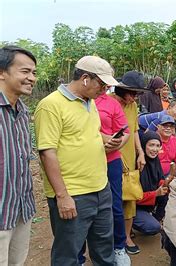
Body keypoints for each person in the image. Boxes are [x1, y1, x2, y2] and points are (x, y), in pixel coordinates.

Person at [34, 55, 119, 265]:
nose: (105, 90)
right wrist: (62, 196)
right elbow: (47, 152)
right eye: (102, 84)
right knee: (68, 254)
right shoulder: (51, 105)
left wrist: (106, 140)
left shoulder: (90, 102)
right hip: (74, 193)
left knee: (104, 250)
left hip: (100, 188)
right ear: (85, 78)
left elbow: (90, 133)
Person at [0, 46, 37, 266]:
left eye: (33, 73)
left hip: (21, 208)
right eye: (25, 71)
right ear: (2, 72)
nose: (31, 78)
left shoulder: (22, 112)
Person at [110, 70, 148, 255]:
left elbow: (133, 131)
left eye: (137, 94)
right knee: (112, 200)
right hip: (111, 159)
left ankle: (126, 235)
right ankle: (110, 237)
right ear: (121, 89)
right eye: (132, 93)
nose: (134, 98)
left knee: (130, 197)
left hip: (130, 157)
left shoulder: (132, 106)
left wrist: (140, 152)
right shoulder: (106, 103)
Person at [93, 88, 132, 264]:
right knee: (86, 206)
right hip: (86, 161)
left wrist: (116, 144)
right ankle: (79, 254)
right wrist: (104, 139)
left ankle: (119, 247)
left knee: (115, 204)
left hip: (111, 160)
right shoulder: (77, 103)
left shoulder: (111, 103)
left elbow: (125, 131)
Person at [133, 131, 169, 235]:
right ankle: (130, 225)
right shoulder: (137, 164)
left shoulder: (155, 161)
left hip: (148, 201)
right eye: (151, 145)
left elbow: (160, 180)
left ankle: (155, 218)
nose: (155, 149)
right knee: (153, 227)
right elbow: (133, 198)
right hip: (134, 207)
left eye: (158, 146)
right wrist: (155, 194)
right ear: (144, 145)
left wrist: (167, 183)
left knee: (168, 193)